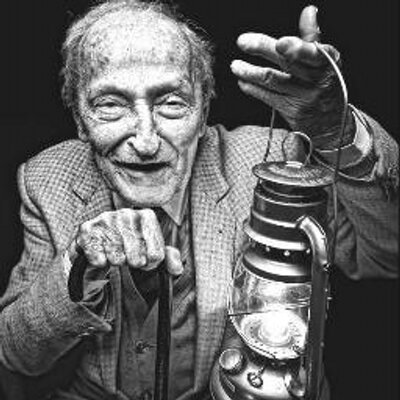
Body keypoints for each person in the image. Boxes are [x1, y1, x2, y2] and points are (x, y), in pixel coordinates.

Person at [0, 0, 397, 399]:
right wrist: (78, 265)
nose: (146, 141)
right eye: (111, 105)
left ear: (204, 109)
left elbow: (387, 255)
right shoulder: (46, 179)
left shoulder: (271, 162)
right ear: (79, 119)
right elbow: (17, 355)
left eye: (172, 103)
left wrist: (333, 131)